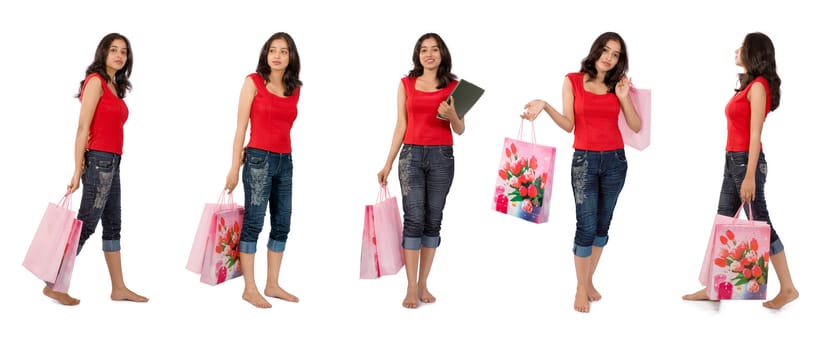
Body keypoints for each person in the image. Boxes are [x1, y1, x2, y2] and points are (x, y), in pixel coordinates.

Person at [521, 32, 641, 313]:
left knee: (602, 226)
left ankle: (588, 281)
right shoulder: (573, 80)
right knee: (585, 227)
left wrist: (623, 97)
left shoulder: (618, 85)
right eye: (606, 51)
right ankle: (580, 286)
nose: (609, 58)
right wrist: (546, 106)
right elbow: (569, 125)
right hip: (585, 162)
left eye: (616, 55)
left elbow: (635, 125)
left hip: (615, 161)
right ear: (596, 50)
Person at [682, 32, 799, 309]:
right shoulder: (749, 86)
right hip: (733, 161)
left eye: (743, 46)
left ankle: (789, 288)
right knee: (724, 220)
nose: (737, 49)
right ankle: (713, 288)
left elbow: (756, 132)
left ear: (754, 53)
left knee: (761, 222)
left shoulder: (758, 87)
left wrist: (749, 176)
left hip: (747, 163)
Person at [44, 33, 149, 306]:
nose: (119, 55)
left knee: (113, 225)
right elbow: (82, 128)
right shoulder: (95, 82)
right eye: (113, 50)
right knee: (87, 223)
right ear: (103, 53)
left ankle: (119, 288)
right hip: (99, 162)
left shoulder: (115, 86)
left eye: (123, 52)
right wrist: (77, 170)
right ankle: (53, 282)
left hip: (113, 162)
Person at [377, 33, 465, 309]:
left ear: (442, 54)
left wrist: (452, 116)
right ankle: (411, 287)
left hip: (442, 156)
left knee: (433, 219)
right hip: (411, 157)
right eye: (424, 50)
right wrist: (388, 162)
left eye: (434, 50)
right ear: (417, 55)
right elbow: (400, 125)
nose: (429, 54)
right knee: (413, 218)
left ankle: (424, 281)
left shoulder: (455, 86)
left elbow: (460, 129)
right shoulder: (406, 84)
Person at [225, 32, 302, 309]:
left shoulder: (296, 88)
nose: (278, 56)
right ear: (266, 55)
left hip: (286, 161)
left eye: (283, 51)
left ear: (291, 56)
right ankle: (250, 288)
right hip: (258, 159)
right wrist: (234, 167)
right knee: (254, 223)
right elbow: (240, 127)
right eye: (273, 50)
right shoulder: (253, 82)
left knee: (283, 223)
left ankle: (272, 284)